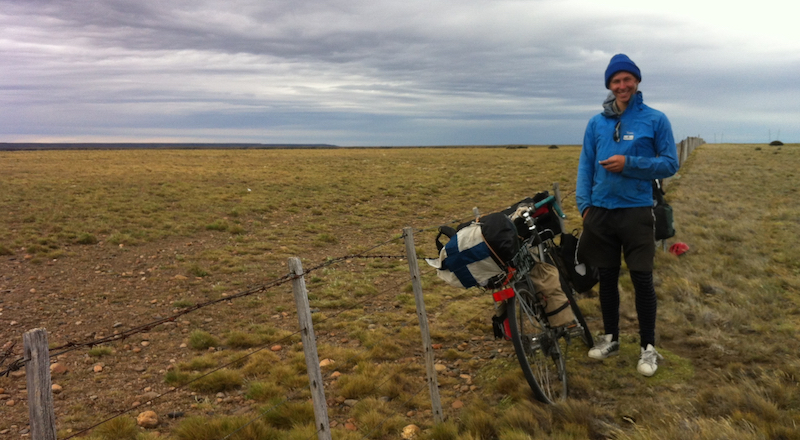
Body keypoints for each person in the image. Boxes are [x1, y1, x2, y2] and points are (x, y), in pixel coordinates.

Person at [575, 54, 679, 377]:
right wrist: (584, 206)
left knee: (642, 279)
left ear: (637, 82)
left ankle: (648, 348)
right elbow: (586, 165)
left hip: (636, 211)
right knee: (606, 277)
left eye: (627, 80)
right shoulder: (596, 123)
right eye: (616, 81)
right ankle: (611, 338)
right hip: (601, 212)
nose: (622, 86)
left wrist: (629, 164)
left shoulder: (655, 120)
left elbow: (670, 163)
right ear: (609, 85)